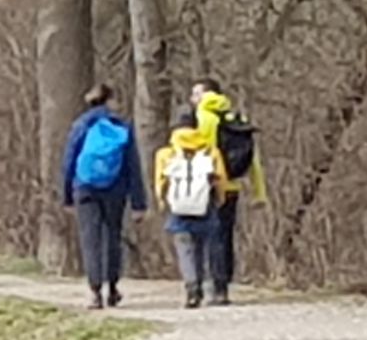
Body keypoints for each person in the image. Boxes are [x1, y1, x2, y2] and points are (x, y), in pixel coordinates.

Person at [61, 85, 149, 309]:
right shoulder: (122, 127)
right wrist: (138, 202)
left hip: (85, 188)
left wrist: (67, 196)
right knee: (112, 236)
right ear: (109, 100)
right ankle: (112, 287)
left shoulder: (81, 125)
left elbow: (69, 161)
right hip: (115, 188)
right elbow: (133, 167)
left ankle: (94, 291)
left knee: (90, 238)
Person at [191, 79, 266, 306]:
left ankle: (215, 285)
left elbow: (203, 154)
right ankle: (224, 285)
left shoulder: (205, 118)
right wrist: (259, 192)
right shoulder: (235, 119)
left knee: (211, 236)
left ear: (206, 95)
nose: (192, 99)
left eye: (196, 94)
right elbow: (253, 161)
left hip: (211, 186)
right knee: (225, 235)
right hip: (233, 186)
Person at [154, 110, 230, 309]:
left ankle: (192, 288)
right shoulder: (210, 151)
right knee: (207, 247)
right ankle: (211, 286)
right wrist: (220, 199)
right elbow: (221, 180)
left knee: (185, 247)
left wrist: (162, 201)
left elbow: (160, 182)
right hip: (205, 205)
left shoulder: (166, 153)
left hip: (178, 207)